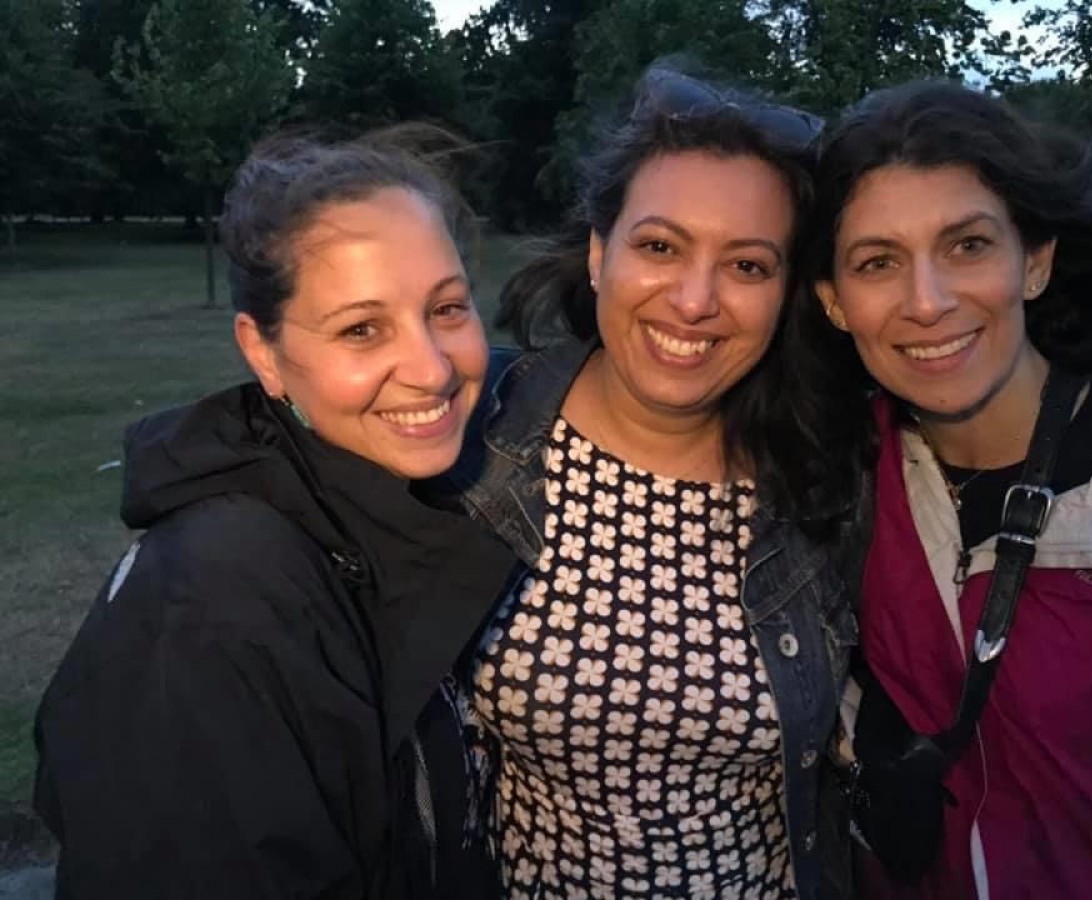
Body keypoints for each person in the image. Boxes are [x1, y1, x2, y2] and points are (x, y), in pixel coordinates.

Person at [33, 126, 517, 898]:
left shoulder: (375, 508)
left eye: (449, 309)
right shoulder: (218, 605)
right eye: (363, 329)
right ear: (262, 353)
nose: (431, 369)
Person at [442, 65, 872, 900]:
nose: (694, 300)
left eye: (747, 266)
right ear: (601, 253)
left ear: (785, 293)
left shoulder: (828, 478)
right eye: (660, 247)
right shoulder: (474, 441)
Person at [809, 80, 1092, 899]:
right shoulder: (834, 474)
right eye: (878, 263)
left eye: (968, 246)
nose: (927, 301)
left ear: (1036, 260)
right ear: (835, 304)